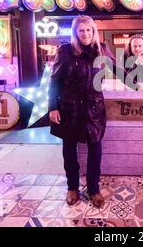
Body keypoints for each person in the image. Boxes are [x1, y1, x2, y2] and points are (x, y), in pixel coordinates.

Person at [48, 15, 135, 208]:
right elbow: (54, 80)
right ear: (75, 32)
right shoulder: (65, 51)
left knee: (95, 148)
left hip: (94, 108)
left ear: (94, 31)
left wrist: (136, 85)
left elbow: (119, 71)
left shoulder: (102, 49)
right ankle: (72, 187)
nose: (85, 34)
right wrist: (52, 107)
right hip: (69, 108)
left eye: (89, 30)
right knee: (69, 149)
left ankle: (94, 188)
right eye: (81, 30)